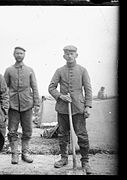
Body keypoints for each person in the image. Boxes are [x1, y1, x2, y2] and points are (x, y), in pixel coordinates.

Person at [48, 45, 93, 174]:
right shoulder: (59, 71)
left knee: (82, 135)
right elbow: (51, 87)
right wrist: (60, 96)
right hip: (63, 109)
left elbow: (88, 90)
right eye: (67, 54)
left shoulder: (83, 70)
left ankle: (85, 161)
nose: (69, 56)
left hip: (78, 108)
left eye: (72, 53)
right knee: (62, 135)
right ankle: (64, 158)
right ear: (64, 56)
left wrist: (88, 106)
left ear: (76, 55)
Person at [3, 47, 39, 164]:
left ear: (24, 55)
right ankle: (14, 154)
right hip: (12, 105)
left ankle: (25, 153)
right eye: (17, 53)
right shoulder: (9, 70)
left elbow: (34, 87)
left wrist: (36, 103)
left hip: (27, 104)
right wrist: (5, 104)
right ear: (14, 54)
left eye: (21, 53)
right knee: (12, 130)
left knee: (27, 130)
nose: (19, 55)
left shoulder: (30, 70)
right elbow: (4, 88)